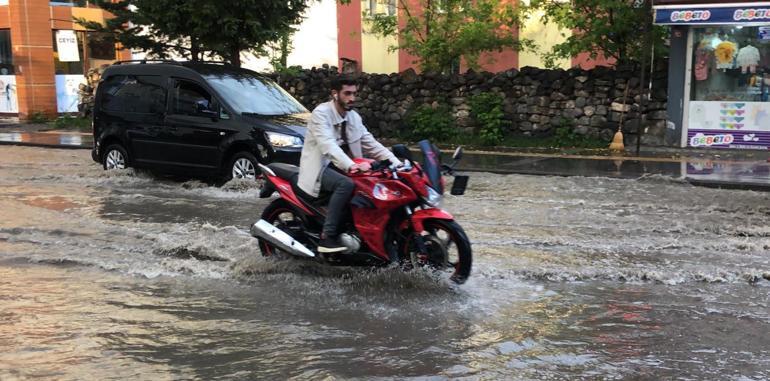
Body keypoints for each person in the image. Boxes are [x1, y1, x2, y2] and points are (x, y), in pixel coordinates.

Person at [297, 75, 402, 253]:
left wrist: (397, 163)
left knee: (377, 184)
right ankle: (327, 237)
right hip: (320, 168)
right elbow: (328, 145)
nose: (352, 98)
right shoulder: (321, 114)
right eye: (347, 93)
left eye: (354, 94)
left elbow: (371, 143)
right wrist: (351, 165)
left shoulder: (354, 117)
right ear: (335, 94)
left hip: (344, 167)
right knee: (346, 184)